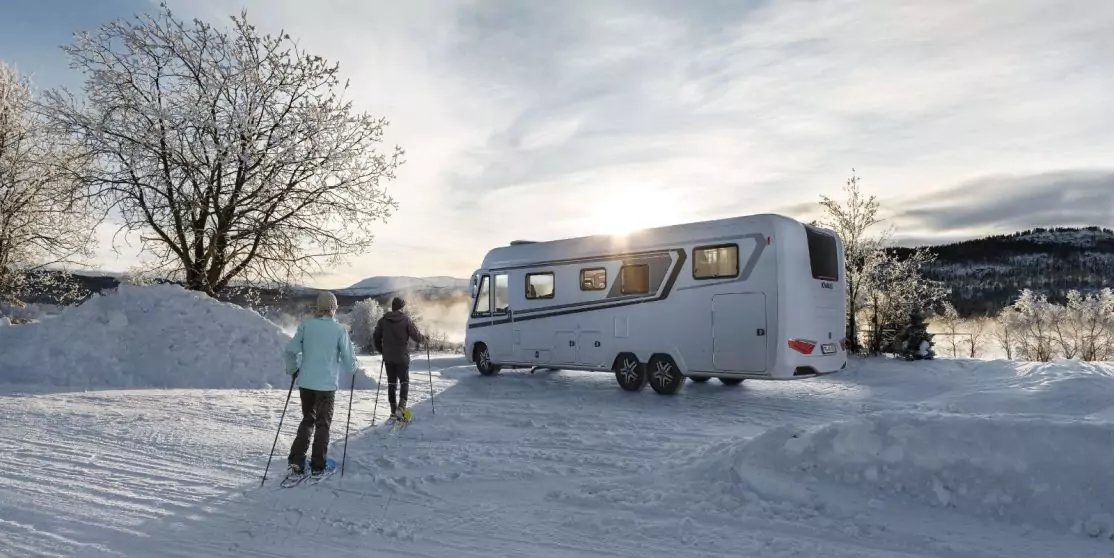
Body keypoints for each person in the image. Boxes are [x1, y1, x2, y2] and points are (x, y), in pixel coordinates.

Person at [283, 291, 357, 476]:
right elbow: (349, 361)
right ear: (334, 308)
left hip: (307, 383)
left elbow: (290, 351)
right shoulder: (339, 330)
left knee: (308, 420)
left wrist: (293, 369)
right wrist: (355, 367)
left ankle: (297, 460)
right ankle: (318, 464)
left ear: (318, 307)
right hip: (327, 385)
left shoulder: (306, 326)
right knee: (323, 424)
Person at [373, 297, 425, 421]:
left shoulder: (383, 321)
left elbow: (375, 337)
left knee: (391, 383)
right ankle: (401, 409)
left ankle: (393, 410)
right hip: (402, 356)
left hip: (389, 357)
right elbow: (416, 336)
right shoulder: (406, 320)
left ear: (393, 307)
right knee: (404, 381)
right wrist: (425, 339)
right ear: (402, 307)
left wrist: (382, 350)